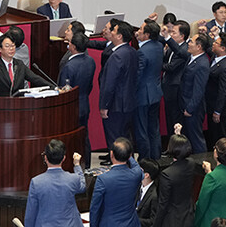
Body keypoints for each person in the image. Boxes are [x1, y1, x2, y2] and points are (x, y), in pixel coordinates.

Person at [24, 139, 85, 227]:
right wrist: (77, 165)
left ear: (45, 158)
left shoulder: (36, 182)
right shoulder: (73, 179)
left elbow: (31, 214)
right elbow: (82, 186)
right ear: (64, 158)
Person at [99, 21, 139, 153]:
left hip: (115, 106)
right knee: (126, 140)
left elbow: (109, 84)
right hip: (129, 104)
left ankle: (119, 169)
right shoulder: (132, 51)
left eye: (114, 31)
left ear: (120, 36)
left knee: (115, 142)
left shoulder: (116, 56)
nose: (111, 33)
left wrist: (104, 106)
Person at [89, 137, 143, 227]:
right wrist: (128, 154)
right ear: (130, 155)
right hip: (132, 223)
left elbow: (95, 208)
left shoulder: (103, 179)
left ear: (111, 154)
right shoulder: (136, 174)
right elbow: (135, 165)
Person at [58, 31, 95, 157]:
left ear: (73, 46)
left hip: (72, 108)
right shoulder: (90, 61)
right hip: (85, 104)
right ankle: (87, 164)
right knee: (84, 137)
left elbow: (65, 92)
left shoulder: (69, 66)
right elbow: (89, 86)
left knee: (72, 139)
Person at [152, 130, 197, 227]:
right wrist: (178, 134)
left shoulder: (166, 174)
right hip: (188, 215)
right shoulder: (191, 164)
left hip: (172, 220)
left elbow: (162, 205)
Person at [0, 33, 49, 97]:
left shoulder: (19, 64)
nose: (11, 49)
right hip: (2, 105)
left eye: (12, 46)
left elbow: (35, 79)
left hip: (18, 104)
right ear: (0, 49)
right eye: (7, 46)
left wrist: (53, 87)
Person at [134, 20, 163, 160]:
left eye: (140, 29)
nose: (138, 31)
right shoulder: (158, 46)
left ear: (147, 34)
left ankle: (145, 159)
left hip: (142, 96)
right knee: (154, 129)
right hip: (156, 93)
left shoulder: (142, 52)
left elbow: (137, 76)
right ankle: (155, 157)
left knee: (141, 130)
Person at [180, 33, 210, 154]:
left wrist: (190, 109)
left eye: (191, 41)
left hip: (193, 109)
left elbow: (199, 90)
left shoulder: (202, 64)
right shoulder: (192, 57)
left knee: (196, 138)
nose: (188, 43)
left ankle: (202, 162)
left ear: (199, 46)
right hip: (185, 104)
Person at [161, 20, 191, 132]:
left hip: (175, 88)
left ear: (182, 36)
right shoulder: (171, 47)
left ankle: (176, 146)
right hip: (168, 86)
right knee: (169, 118)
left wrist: (155, 64)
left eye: (174, 32)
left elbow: (171, 67)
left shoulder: (184, 48)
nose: (171, 34)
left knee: (175, 119)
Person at [137, 159, 160, 227]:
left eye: (139, 170)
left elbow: (153, 221)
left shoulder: (154, 196)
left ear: (146, 175)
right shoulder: (137, 186)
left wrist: (134, 219)